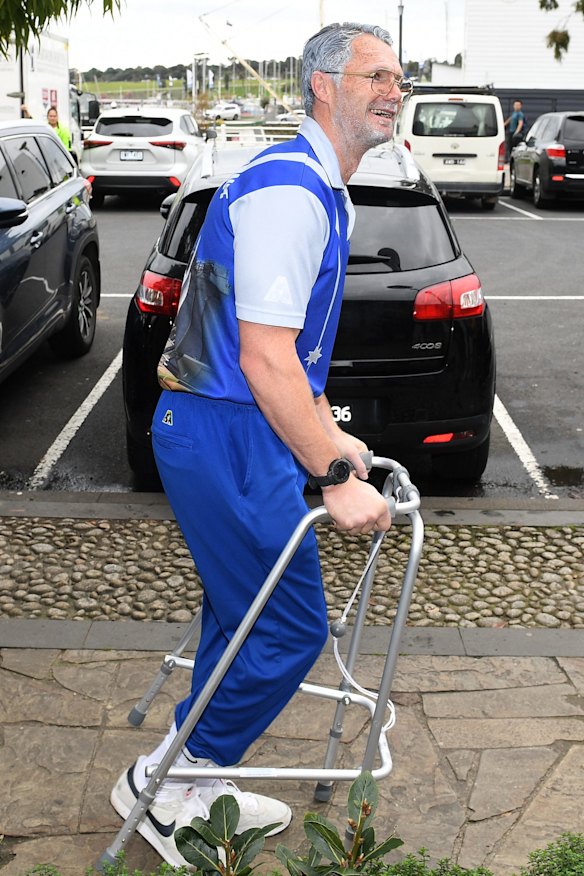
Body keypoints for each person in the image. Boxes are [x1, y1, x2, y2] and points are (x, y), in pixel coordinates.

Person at [111, 20, 402, 868]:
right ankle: (172, 778)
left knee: (239, 621)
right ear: (322, 85)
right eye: (374, 75)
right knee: (284, 630)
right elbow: (263, 356)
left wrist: (322, 422)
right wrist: (337, 473)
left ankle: (190, 775)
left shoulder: (316, 184)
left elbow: (291, 351)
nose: (394, 91)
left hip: (238, 430)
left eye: (398, 77)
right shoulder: (291, 190)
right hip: (225, 432)